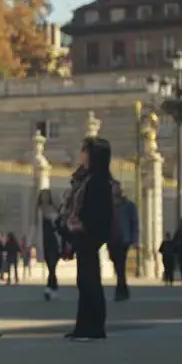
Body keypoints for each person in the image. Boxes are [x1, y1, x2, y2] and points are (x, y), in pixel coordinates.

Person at [62, 138, 114, 341]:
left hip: (90, 234)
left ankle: (95, 327)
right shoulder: (85, 177)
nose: (81, 153)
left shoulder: (98, 180)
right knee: (83, 281)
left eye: (84, 150)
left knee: (90, 280)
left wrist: (83, 223)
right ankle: (83, 326)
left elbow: (100, 212)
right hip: (80, 233)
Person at [31, 190, 63, 300]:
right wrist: (31, 242)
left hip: (55, 239)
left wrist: (51, 216)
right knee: (50, 264)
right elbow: (35, 225)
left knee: (53, 264)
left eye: (47, 196)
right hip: (44, 239)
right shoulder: (39, 209)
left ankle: (50, 287)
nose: (45, 198)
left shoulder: (54, 209)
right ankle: (51, 287)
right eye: (43, 196)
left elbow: (60, 222)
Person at [109, 182, 138, 302]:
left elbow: (134, 223)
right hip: (111, 239)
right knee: (117, 265)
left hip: (123, 239)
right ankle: (124, 289)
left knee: (120, 265)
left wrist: (134, 239)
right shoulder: (108, 205)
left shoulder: (129, 205)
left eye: (117, 188)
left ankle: (120, 291)